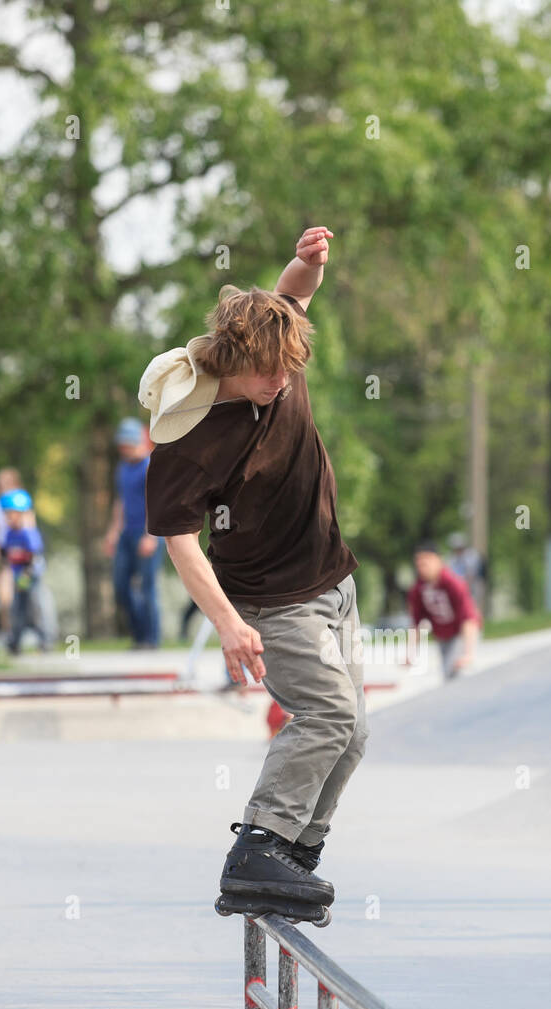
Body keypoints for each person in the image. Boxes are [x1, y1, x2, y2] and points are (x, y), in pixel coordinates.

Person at [141, 226, 365, 927]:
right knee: (327, 713)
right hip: (272, 601)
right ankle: (257, 847)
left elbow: (289, 297)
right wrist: (229, 624)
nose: (280, 383)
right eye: (268, 372)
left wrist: (303, 264)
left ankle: (296, 851)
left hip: (333, 580)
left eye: (289, 370)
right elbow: (179, 538)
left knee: (352, 732)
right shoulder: (190, 435)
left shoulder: (280, 353)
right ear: (235, 359)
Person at [103, 418, 165, 647]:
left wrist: (150, 536)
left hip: (147, 531)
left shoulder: (149, 465)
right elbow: (121, 501)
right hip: (126, 533)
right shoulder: (122, 468)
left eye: (127, 445)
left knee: (147, 588)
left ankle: (152, 640)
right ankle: (139, 636)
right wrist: (112, 532)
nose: (123, 449)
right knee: (121, 586)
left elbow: (157, 501)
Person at [407, 541, 482, 679]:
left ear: (438, 560)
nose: (423, 567)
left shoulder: (453, 583)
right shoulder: (418, 589)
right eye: (419, 564)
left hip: (461, 633)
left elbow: (469, 618)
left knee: (458, 675)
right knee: (448, 674)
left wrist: (468, 653)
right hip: (443, 637)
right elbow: (416, 622)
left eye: (426, 562)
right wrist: (411, 652)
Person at [0, 488, 51, 654]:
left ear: (21, 514)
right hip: (17, 576)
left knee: (34, 608)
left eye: (11, 514)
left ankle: (45, 639)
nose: (8, 518)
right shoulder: (9, 534)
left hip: (30, 576)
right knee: (17, 608)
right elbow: (5, 553)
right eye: (6, 514)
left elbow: (34, 557)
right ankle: (15, 641)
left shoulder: (29, 534)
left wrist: (26, 575)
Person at [0, 467, 25, 637]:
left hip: (22, 554)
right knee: (5, 597)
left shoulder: (23, 501)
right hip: (4, 555)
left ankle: (29, 633)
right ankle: (9, 633)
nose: (2, 488)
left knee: (26, 596)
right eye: (0, 484)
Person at [447, 530, 486, 610]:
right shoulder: (451, 559)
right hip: (457, 586)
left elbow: (473, 572)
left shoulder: (472, 556)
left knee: (472, 605)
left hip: (472, 585)